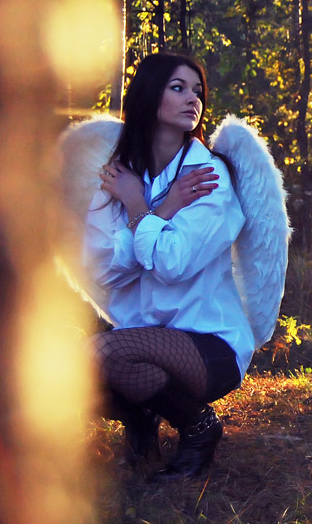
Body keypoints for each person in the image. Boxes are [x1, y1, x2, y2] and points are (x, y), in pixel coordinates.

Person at [83, 52, 252, 481]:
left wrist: (139, 208)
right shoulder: (121, 177)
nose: (193, 99)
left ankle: (200, 426)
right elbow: (102, 271)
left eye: (197, 91)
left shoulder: (207, 175)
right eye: (178, 88)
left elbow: (171, 264)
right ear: (148, 96)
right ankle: (142, 421)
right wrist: (158, 208)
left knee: (102, 354)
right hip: (144, 338)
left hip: (208, 344)